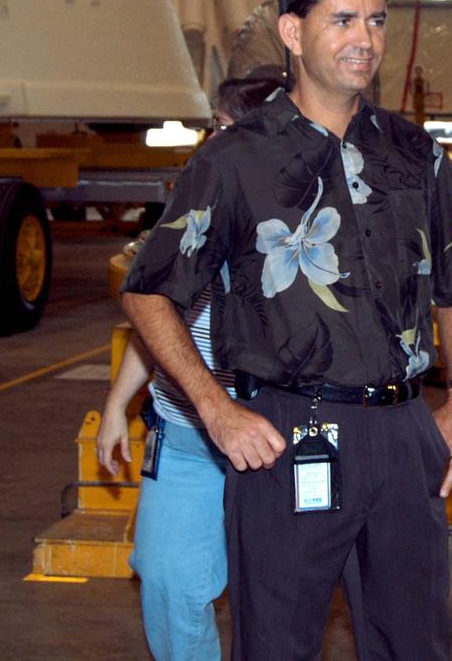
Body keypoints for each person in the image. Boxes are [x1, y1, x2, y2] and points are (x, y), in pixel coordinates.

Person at [120, 0, 452, 661]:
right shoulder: (233, 160)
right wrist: (217, 411)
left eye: (377, 21)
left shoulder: (417, 154)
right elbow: (151, 293)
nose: (365, 40)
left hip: (405, 429)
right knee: (279, 644)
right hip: (286, 432)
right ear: (293, 31)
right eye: (343, 20)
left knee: (416, 643)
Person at [98, 70, 283, 661]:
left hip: (274, 439)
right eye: (215, 128)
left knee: (280, 597)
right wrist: (114, 409)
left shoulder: (298, 222)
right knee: (168, 584)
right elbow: (155, 317)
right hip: (183, 437)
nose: (213, 143)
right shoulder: (191, 206)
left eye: (226, 129)